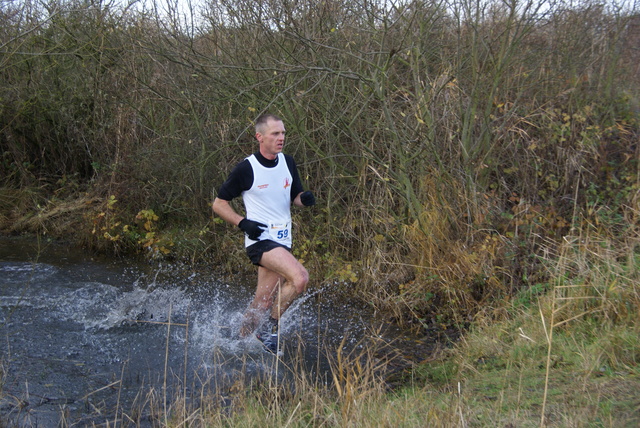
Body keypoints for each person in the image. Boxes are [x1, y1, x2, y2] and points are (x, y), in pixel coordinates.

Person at [212, 113, 316, 353]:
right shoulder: (246, 168)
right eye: (275, 134)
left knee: (263, 301)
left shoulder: (288, 162)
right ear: (260, 137)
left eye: (283, 133)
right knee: (300, 278)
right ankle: (269, 331)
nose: (281, 138)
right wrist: (242, 223)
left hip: (283, 240)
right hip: (260, 240)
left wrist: (304, 199)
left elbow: (294, 198)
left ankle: (238, 343)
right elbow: (219, 204)